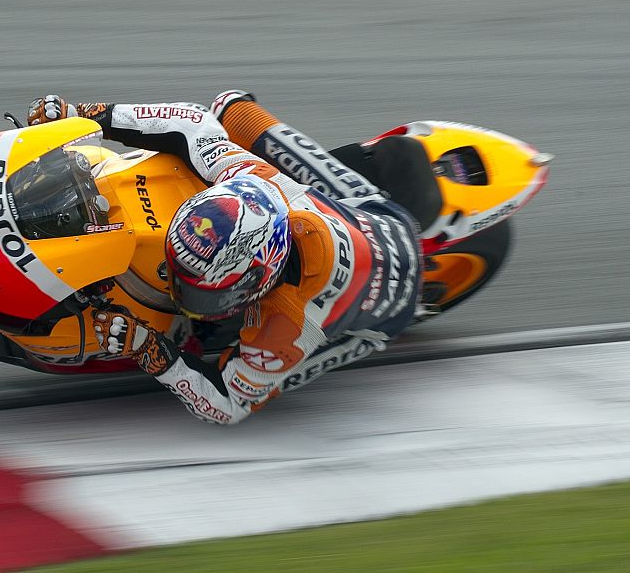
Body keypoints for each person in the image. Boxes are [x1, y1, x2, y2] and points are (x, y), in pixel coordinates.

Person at [26, 91, 422, 425]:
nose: (179, 289)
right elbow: (194, 123)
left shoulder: (289, 325)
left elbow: (228, 406)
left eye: (198, 288)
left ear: (259, 278)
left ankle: (364, 337)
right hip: (366, 210)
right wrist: (85, 117)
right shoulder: (251, 180)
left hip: (387, 307)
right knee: (229, 105)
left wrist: (150, 350)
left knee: (261, 384)